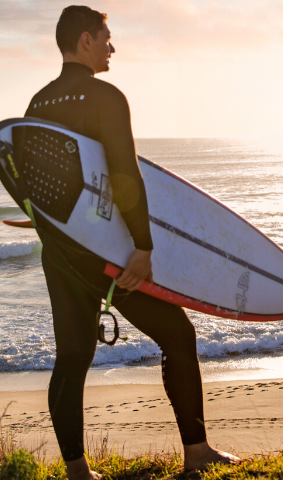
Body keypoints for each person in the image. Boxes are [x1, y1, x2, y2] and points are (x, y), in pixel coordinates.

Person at [23, 6, 240, 479]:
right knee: (178, 336)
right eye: (106, 38)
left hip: (62, 252)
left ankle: (78, 471)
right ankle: (197, 451)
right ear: (85, 40)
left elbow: (39, 190)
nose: (111, 47)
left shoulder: (36, 105)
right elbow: (124, 175)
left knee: (74, 355)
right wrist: (142, 246)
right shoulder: (105, 96)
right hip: (109, 255)